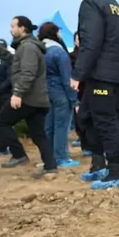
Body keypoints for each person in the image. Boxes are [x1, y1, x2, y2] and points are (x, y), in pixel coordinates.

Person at [71, 0, 119, 190]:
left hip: (101, 73)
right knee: (86, 117)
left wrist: (77, 74)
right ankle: (98, 164)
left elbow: (90, 42)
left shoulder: (91, 3)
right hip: (109, 72)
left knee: (105, 121)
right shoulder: (115, 6)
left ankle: (115, 171)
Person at [0, 15, 57, 178]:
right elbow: (15, 62)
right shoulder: (27, 47)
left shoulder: (28, 48)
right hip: (37, 99)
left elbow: (28, 72)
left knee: (0, 123)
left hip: (28, 98)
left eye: (13, 26)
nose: (10, 29)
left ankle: (19, 155)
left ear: (22, 28)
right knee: (38, 134)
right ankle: (50, 166)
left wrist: (18, 93)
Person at [38, 21, 80, 168]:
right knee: (61, 126)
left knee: (49, 126)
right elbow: (66, 78)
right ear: (54, 33)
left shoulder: (40, 51)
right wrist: (74, 100)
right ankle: (61, 157)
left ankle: (49, 157)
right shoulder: (59, 52)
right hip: (60, 93)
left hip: (45, 92)